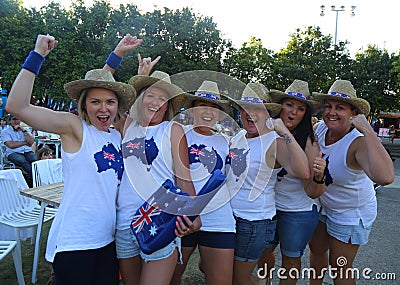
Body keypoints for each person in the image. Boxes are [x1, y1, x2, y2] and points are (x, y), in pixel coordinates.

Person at [6, 33, 140, 285]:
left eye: (110, 102)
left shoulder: (115, 135)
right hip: (75, 241)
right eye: (95, 102)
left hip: (108, 241)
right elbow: (16, 106)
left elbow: (100, 83)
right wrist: (37, 55)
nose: (104, 108)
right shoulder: (75, 128)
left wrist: (117, 55)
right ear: (83, 105)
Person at [116, 70, 199, 285]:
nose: (155, 102)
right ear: (140, 99)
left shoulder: (173, 130)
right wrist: (134, 70)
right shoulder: (127, 126)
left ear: (168, 105)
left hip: (160, 222)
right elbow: (104, 96)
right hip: (125, 224)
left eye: (162, 98)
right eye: (150, 95)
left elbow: (184, 179)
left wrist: (193, 215)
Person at [308, 80, 394, 285]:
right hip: (326, 205)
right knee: (316, 249)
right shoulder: (321, 129)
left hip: (351, 212)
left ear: (353, 113)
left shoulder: (357, 141)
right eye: (328, 106)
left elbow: (386, 177)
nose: (332, 112)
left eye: (340, 108)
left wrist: (367, 130)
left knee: (340, 267)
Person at [228, 82, 310, 285]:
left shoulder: (274, 141)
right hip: (230, 218)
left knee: (238, 279)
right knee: (212, 267)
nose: (251, 114)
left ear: (267, 114)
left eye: (257, 109)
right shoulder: (238, 137)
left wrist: (284, 132)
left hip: (253, 222)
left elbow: (303, 171)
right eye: (246, 108)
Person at [255, 79, 326, 285]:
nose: (293, 112)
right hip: (269, 206)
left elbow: (308, 180)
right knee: (264, 252)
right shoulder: (265, 132)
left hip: (298, 210)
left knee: (291, 257)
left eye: (300, 108)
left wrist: (286, 134)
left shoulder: (309, 140)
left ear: (306, 114)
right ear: (280, 107)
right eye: (289, 105)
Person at [170, 80, 238, 285]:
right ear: (193, 109)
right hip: (183, 218)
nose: (208, 112)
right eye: (202, 105)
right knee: (170, 278)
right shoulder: (177, 134)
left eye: (214, 107)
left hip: (219, 220)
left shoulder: (227, 141)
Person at [0, 114, 36, 186]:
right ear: (10, 121)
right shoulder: (5, 132)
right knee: (23, 161)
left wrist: (24, 131)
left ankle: (31, 179)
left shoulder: (25, 130)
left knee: (34, 159)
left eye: (18, 119)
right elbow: (11, 145)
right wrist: (25, 143)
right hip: (13, 153)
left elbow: (31, 142)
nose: (16, 121)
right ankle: (33, 180)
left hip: (27, 151)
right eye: (14, 119)